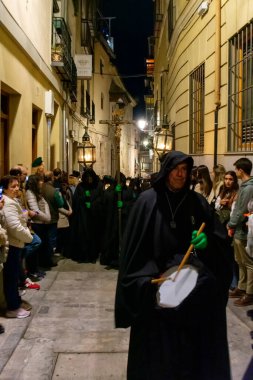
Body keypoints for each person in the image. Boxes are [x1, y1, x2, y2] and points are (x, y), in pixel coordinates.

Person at [115, 150, 232, 380]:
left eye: (185, 170)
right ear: (167, 171)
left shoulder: (196, 202)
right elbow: (134, 250)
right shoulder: (147, 202)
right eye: (176, 169)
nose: (181, 174)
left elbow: (218, 240)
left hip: (190, 296)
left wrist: (206, 243)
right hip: (155, 290)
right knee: (158, 360)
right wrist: (145, 280)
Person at [0, 175, 33, 318]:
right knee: (11, 278)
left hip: (16, 243)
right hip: (12, 244)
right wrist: (29, 236)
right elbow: (14, 226)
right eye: (12, 186)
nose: (16, 188)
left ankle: (16, 302)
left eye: (17, 185)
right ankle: (12, 307)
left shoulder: (10, 200)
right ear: (5, 188)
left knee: (13, 277)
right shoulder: (7, 202)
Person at [228, 158, 253, 306]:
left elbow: (242, 209)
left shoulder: (249, 187)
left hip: (244, 229)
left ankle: (250, 293)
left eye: (236, 170)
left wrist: (231, 223)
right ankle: (242, 287)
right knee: (240, 260)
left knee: (248, 262)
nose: (236, 172)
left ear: (240, 171)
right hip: (239, 228)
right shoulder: (245, 185)